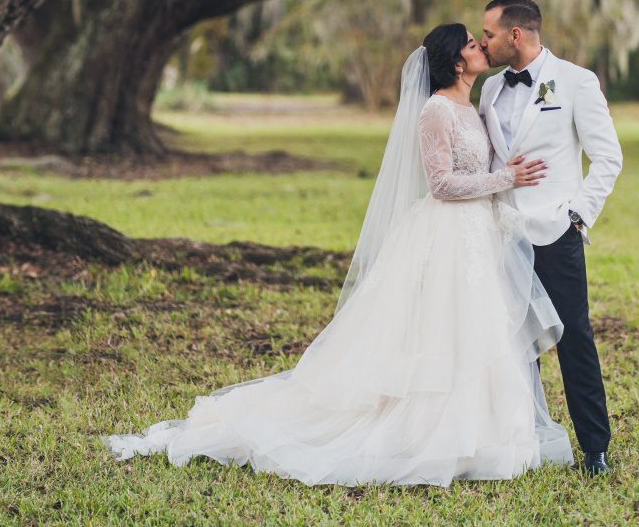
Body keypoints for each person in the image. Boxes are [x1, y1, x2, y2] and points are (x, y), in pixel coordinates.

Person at [103, 24, 573, 486]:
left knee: (477, 333)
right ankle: (426, 433)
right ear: (455, 61)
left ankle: (484, 434)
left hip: (478, 237)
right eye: (474, 44)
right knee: (437, 333)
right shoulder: (435, 111)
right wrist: (504, 180)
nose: (482, 48)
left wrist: (509, 176)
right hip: (445, 235)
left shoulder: (473, 107)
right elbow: (441, 184)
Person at [477, 0, 620, 476]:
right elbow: (495, 160)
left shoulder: (577, 81)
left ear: (515, 35)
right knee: (514, 340)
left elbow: (608, 158)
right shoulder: (490, 90)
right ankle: (523, 440)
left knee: (574, 337)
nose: (483, 42)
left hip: (555, 232)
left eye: (490, 34)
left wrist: (577, 216)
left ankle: (594, 449)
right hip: (503, 233)